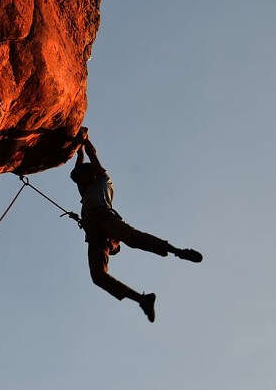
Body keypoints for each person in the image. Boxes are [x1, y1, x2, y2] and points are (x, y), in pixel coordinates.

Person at [69, 127, 202, 322]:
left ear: (89, 175)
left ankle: (177, 251)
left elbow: (91, 156)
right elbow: (79, 165)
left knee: (132, 238)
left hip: (104, 219)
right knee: (98, 276)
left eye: (81, 178)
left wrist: (85, 140)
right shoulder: (87, 188)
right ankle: (141, 299)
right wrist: (78, 149)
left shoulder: (102, 180)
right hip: (95, 233)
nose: (78, 182)